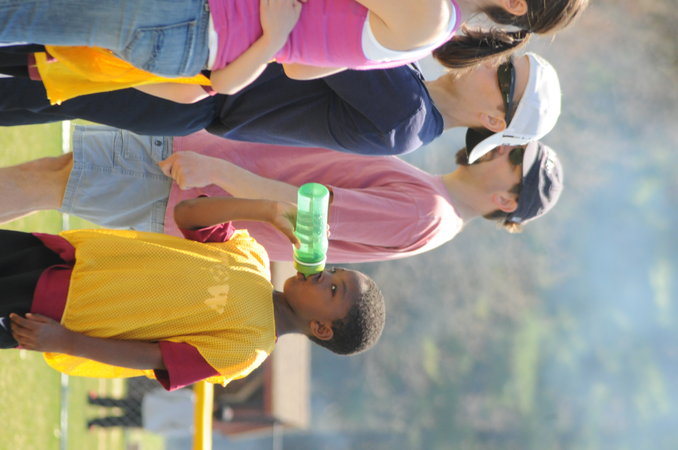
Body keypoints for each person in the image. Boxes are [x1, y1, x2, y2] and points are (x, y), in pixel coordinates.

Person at [0, 126, 563, 263]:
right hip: (195, 175)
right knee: (55, 176)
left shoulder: (429, 213)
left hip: (191, 182)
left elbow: (302, 209)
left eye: (514, 158)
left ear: (507, 201)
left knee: (54, 178)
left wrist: (213, 167)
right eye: (513, 145)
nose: (501, 149)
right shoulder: (431, 201)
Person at [1, 196, 386, 391]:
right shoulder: (253, 257)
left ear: (321, 328)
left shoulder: (247, 350)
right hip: (60, 254)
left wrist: (66, 341)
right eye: (333, 270)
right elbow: (188, 213)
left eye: (333, 288)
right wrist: (267, 210)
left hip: (58, 308)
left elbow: (153, 357)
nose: (322, 274)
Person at [0, 0, 587, 102]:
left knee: (21, 13)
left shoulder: (430, 15)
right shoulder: (429, 33)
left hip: (191, 18)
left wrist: (275, 32)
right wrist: (277, 35)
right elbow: (303, 68)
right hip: (188, 39)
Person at [0, 52, 560, 158]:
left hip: (199, 87)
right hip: (199, 84)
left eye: (505, 77)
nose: (494, 64)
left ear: (494, 121)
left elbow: (332, 32)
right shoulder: (414, 95)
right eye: (507, 60)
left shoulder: (407, 115)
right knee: (42, 78)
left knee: (40, 76)